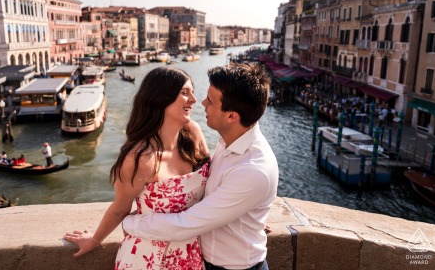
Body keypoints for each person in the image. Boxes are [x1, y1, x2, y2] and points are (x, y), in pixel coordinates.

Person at [122, 63, 279, 270]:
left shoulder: (252, 169)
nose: (202, 103)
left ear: (232, 116)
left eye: (210, 101)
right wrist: (245, 213)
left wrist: (129, 223)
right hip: (206, 260)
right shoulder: (231, 140)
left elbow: (186, 224)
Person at [64, 67, 210, 269]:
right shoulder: (139, 158)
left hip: (191, 255)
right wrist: (95, 240)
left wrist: (241, 213)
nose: (193, 100)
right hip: (148, 258)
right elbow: (120, 208)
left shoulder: (193, 133)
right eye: (185, 93)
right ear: (161, 98)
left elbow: (216, 182)